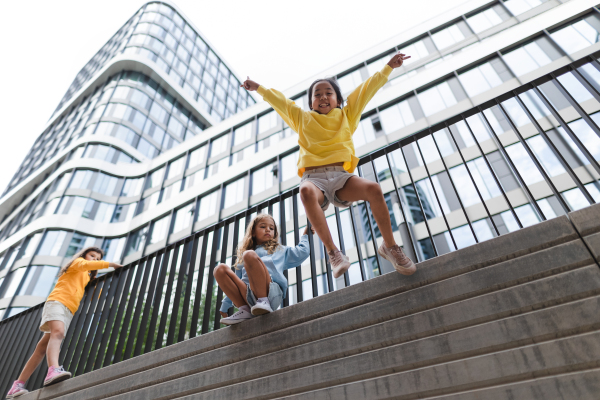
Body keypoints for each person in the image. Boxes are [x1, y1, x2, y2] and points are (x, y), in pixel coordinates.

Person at [241, 53, 416, 278]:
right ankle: (333, 252)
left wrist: (388, 67)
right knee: (304, 191)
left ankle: (390, 247)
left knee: (374, 189)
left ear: (338, 100)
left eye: (328, 93)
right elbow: (281, 103)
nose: (323, 97)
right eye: (317, 95)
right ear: (311, 103)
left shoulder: (347, 115)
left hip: (342, 177)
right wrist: (259, 88)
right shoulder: (302, 119)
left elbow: (366, 90)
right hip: (314, 180)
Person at [6, 247, 123, 398]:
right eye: (92, 255)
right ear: (84, 255)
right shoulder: (77, 263)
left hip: (68, 310)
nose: (95, 259)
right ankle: (53, 370)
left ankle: (17, 385)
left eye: (97, 258)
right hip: (58, 302)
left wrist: (99, 284)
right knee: (58, 333)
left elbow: (94, 295)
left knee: (41, 348)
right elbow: (85, 265)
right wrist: (112, 265)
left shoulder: (86, 276)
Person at [216, 213, 311, 325]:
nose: (268, 230)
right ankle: (245, 310)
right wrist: (225, 305)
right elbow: (236, 282)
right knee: (220, 269)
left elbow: (302, 253)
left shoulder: (280, 250)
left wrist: (305, 236)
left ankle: (263, 301)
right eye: (262, 227)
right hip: (248, 296)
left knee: (249, 255)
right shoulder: (244, 257)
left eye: (271, 228)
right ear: (253, 232)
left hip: (271, 294)